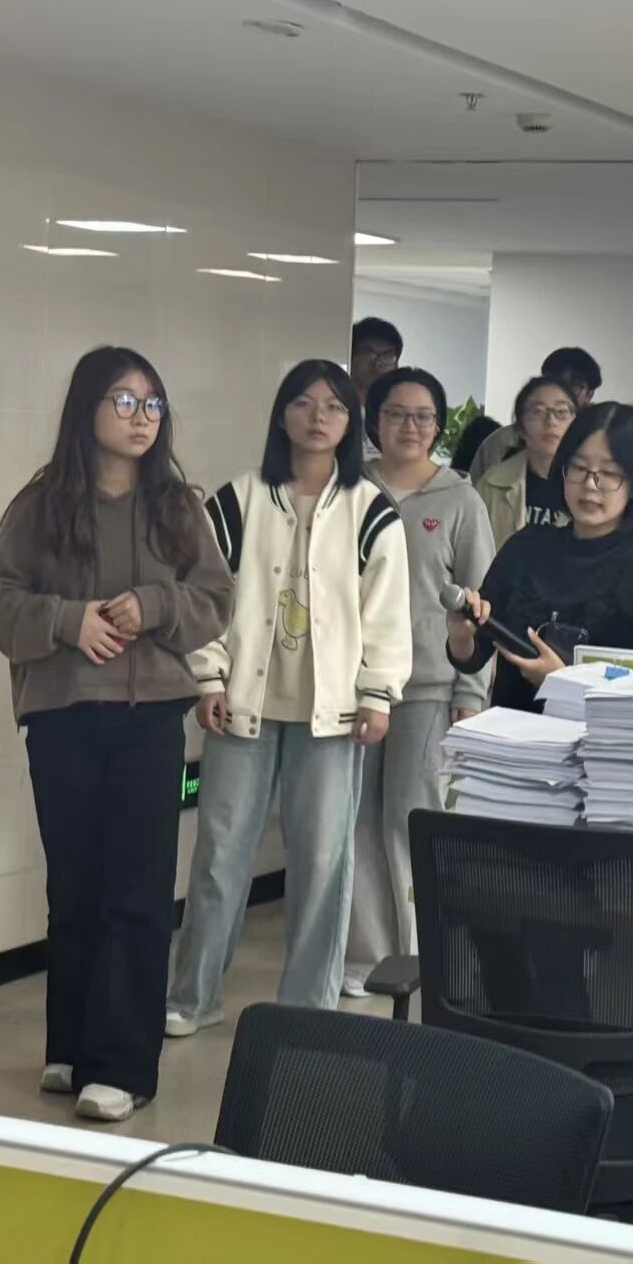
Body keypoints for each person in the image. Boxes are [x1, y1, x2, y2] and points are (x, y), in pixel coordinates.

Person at [0, 346, 234, 1123]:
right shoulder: (42, 503)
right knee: (74, 883)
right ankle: (71, 1045)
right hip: (62, 714)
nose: (140, 418)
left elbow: (215, 597)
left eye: (152, 404)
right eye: (124, 401)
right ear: (87, 408)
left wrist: (155, 605)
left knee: (137, 887)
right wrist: (66, 621)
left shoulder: (177, 506)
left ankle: (122, 1066)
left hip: (149, 718)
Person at [166, 359, 412, 1037]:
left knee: (324, 863)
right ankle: (192, 996)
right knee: (219, 855)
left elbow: (387, 615)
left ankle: (308, 1008)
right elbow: (205, 598)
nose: (317, 417)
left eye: (333, 406)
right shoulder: (237, 499)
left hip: (332, 716)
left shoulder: (371, 511)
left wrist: (378, 694)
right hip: (242, 707)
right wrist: (208, 677)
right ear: (282, 415)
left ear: (350, 422)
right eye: (303, 403)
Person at [342, 368, 495, 998]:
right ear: (374, 421)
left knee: (412, 824)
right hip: (351, 685)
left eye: (424, 416)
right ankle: (365, 959)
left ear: (439, 426)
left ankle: (419, 958)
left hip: (429, 686)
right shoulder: (348, 487)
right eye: (397, 414)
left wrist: (471, 693)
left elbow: (482, 604)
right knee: (353, 825)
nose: (411, 426)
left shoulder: (460, 499)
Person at [449, 402, 633, 713]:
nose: (589, 484)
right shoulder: (525, 548)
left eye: (609, 473)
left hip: (598, 739)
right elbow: (474, 655)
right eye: (578, 467)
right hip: (510, 736)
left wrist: (564, 682)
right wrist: (461, 638)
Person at [467, 346, 605, 481]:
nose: (562, 390)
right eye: (555, 380)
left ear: (589, 395)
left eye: (574, 384)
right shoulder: (501, 443)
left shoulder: (600, 445)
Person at [474, 375, 577, 548]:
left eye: (562, 411)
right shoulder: (492, 484)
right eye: (538, 411)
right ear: (520, 428)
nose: (551, 421)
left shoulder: (592, 484)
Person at [350, 317, 403, 410]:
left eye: (386, 356)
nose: (377, 364)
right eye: (367, 354)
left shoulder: (399, 407)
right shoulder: (336, 403)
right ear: (351, 357)